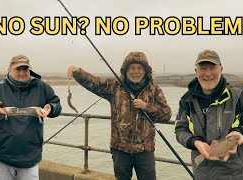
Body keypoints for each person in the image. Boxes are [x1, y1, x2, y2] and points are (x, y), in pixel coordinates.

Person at [67, 52, 172, 180]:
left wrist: (147, 106)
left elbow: (166, 114)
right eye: (132, 68)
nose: (136, 72)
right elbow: (95, 83)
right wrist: (77, 72)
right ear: (125, 70)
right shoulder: (114, 86)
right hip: (120, 150)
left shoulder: (154, 90)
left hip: (145, 150)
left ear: (145, 71)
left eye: (140, 68)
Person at [175, 50, 243, 179]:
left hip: (234, 174)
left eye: (212, 67)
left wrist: (239, 134)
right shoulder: (187, 100)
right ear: (196, 71)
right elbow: (180, 130)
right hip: (202, 173)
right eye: (203, 68)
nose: (208, 73)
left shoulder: (239, 97)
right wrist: (196, 142)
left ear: (221, 69)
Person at [0, 54, 62, 180]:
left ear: (30, 70)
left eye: (25, 69)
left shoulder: (42, 87)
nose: (22, 73)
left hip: (30, 157)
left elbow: (57, 106)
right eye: (17, 69)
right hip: (3, 156)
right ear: (9, 69)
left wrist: (51, 108)